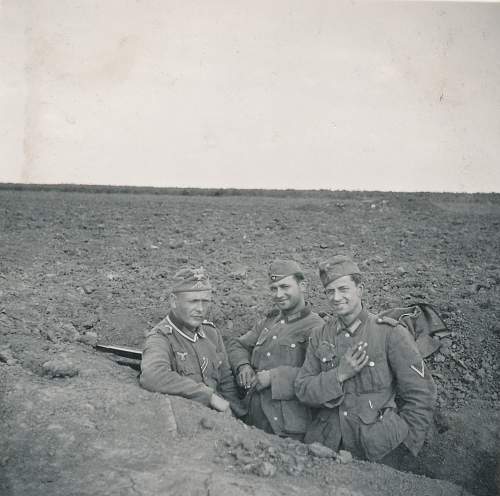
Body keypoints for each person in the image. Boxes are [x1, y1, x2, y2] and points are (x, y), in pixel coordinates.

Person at [295, 255, 437, 462]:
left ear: (359, 290)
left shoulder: (389, 333)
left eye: (343, 289)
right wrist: (339, 375)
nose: (336, 297)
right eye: (330, 291)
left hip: (377, 448)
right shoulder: (320, 335)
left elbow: (421, 393)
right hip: (326, 445)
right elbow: (303, 390)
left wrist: (407, 446)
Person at [227, 260, 324, 440]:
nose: (279, 294)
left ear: (302, 286)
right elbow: (237, 345)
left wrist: (274, 377)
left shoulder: (316, 327)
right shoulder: (269, 322)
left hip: (287, 427)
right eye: (273, 288)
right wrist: (243, 366)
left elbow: (320, 375)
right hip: (252, 417)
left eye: (285, 287)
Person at [140, 267, 244, 416]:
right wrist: (209, 396)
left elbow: (226, 382)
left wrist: (237, 415)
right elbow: (153, 376)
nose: (200, 309)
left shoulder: (211, 333)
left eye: (205, 302)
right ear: (174, 301)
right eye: (193, 301)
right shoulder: (161, 337)